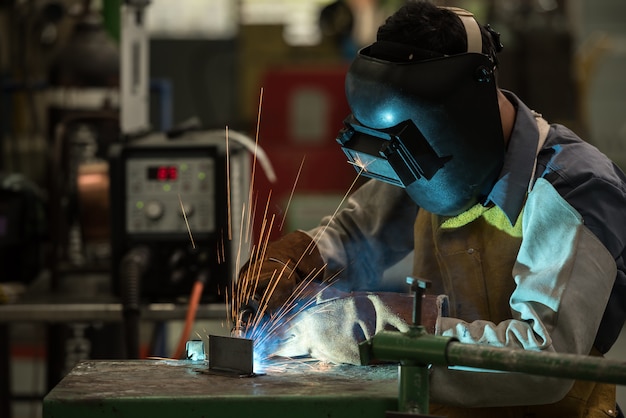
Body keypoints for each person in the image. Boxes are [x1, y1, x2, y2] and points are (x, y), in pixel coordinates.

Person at [235, 2, 626, 417]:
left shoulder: (575, 189)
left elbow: (541, 363)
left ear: (456, 117)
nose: (408, 176)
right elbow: (356, 236)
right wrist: (295, 261)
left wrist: (378, 327)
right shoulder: (424, 157)